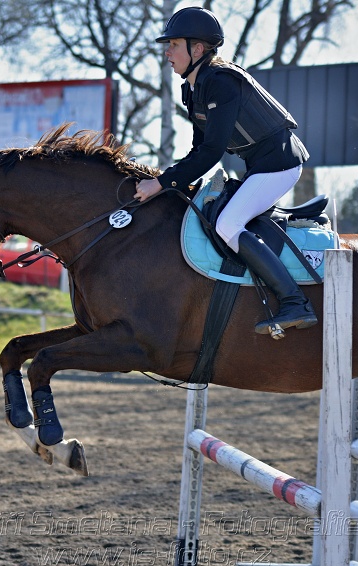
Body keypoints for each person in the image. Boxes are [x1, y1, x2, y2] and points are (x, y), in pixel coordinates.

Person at [134, 6, 318, 336]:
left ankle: (294, 302)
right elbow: (198, 150)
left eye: (174, 44)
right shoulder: (193, 88)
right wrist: (169, 179)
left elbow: (212, 152)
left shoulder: (221, 83)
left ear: (198, 49)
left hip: (281, 165)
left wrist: (162, 183)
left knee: (228, 223)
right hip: (261, 167)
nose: (167, 52)